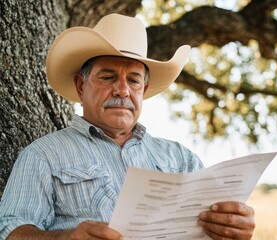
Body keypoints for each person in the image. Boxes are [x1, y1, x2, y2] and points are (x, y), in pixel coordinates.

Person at [0, 14, 255, 240]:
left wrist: (233, 229)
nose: (122, 90)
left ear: (142, 91)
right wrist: (65, 238)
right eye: (108, 77)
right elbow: (10, 230)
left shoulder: (182, 159)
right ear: (81, 87)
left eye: (133, 81)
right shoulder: (43, 155)